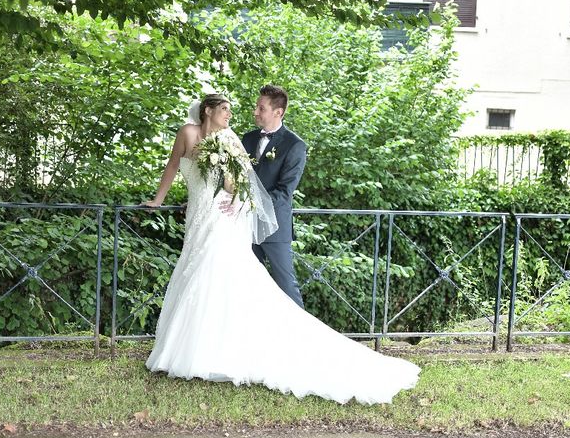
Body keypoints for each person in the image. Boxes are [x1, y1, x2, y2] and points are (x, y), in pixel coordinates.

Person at [143, 93, 420, 405]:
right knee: (201, 276)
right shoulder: (194, 133)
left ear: (278, 111)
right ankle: (201, 348)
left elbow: (247, 185)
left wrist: (236, 200)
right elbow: (172, 166)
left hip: (227, 218)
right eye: (226, 110)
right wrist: (159, 200)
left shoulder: (243, 140)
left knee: (244, 280)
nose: (237, 114)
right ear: (208, 111)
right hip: (198, 214)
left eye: (257, 108)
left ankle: (272, 346)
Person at [237, 85, 306, 308]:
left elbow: (285, 191)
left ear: (278, 112)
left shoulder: (295, 145)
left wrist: (251, 202)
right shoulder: (246, 139)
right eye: (256, 107)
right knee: (244, 283)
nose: (255, 112)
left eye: (261, 108)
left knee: (286, 284)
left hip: (274, 225)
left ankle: (300, 336)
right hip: (242, 225)